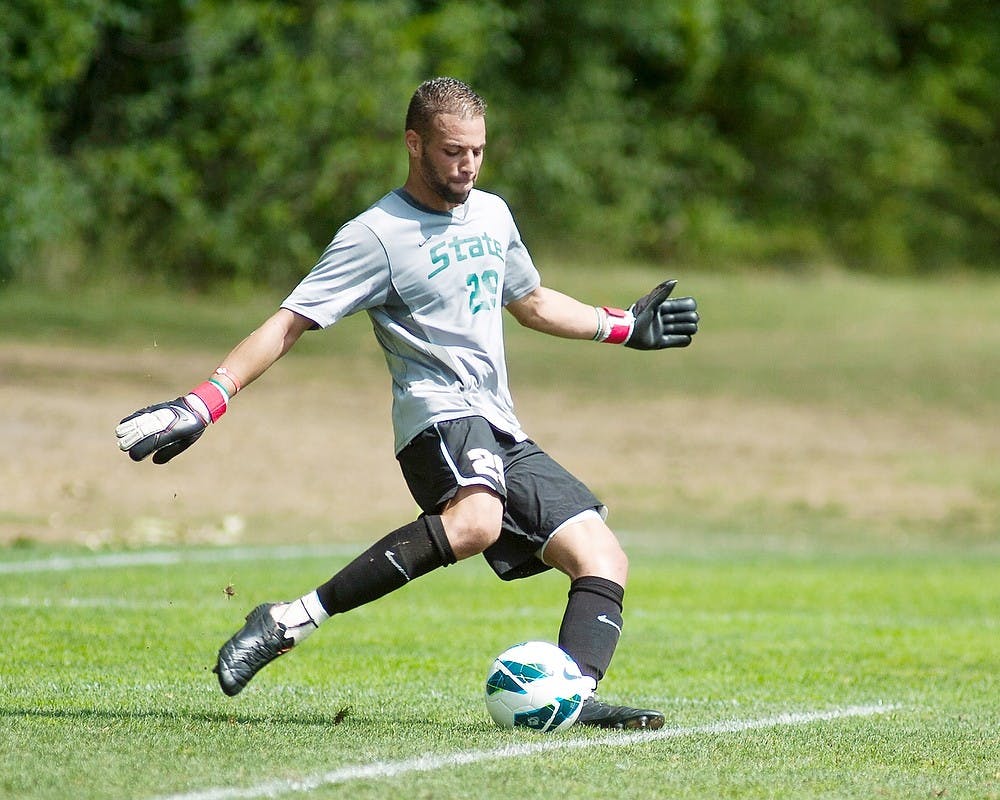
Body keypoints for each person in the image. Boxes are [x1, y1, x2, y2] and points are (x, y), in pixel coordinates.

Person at [115, 77, 699, 730]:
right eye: (454, 151)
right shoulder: (376, 235)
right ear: (414, 144)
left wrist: (620, 326)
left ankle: (570, 696)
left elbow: (531, 303)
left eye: (478, 150)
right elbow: (290, 322)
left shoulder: (493, 215)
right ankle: (289, 621)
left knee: (602, 556)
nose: (468, 165)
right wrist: (205, 401)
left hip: (499, 424)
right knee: (475, 524)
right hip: (436, 418)